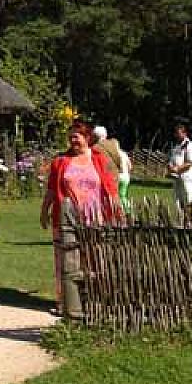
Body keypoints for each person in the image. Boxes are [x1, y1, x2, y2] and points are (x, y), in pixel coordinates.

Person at [40, 120, 120, 312]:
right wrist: (44, 211)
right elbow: (52, 189)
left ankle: (93, 297)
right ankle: (64, 302)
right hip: (66, 218)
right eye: (70, 137)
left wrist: (117, 211)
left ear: (87, 138)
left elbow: (110, 187)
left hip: (94, 217)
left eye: (76, 137)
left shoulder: (99, 159)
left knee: (94, 258)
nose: (72, 141)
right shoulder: (61, 161)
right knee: (65, 259)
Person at [168, 119, 192, 223]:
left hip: (187, 178)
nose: (176, 135)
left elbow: (190, 163)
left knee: (188, 199)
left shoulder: (190, 146)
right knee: (178, 200)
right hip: (176, 178)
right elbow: (171, 160)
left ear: (184, 133)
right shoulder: (176, 147)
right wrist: (170, 167)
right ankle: (181, 220)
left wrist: (178, 168)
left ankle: (188, 221)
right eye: (176, 133)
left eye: (178, 133)